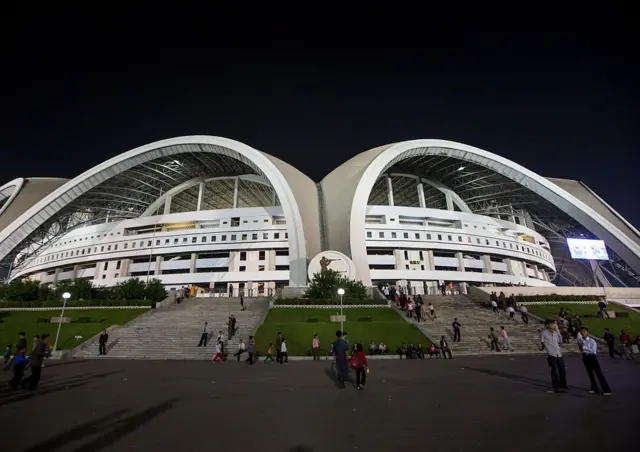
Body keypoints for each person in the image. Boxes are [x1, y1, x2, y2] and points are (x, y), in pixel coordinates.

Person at [577, 327, 611, 395]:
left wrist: (583, 347)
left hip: (592, 357)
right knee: (590, 373)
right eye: (581, 332)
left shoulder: (592, 341)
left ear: (587, 332)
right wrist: (580, 347)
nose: (582, 333)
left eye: (584, 331)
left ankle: (606, 389)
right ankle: (594, 388)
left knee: (598, 373)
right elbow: (581, 350)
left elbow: (593, 350)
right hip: (585, 356)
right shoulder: (581, 340)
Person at [540, 320, 567, 393]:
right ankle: (556, 386)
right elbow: (542, 342)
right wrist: (547, 349)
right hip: (551, 354)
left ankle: (563, 384)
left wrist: (557, 330)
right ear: (547, 325)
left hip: (558, 353)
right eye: (551, 324)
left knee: (562, 369)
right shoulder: (544, 333)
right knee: (554, 370)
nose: (553, 325)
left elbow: (560, 340)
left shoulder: (555, 333)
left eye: (554, 324)